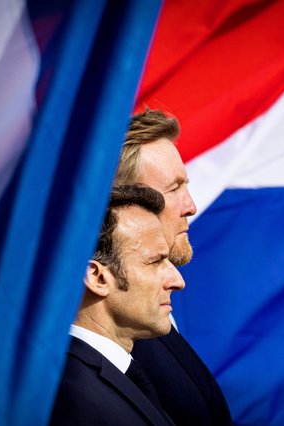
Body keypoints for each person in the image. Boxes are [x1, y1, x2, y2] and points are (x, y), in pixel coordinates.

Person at [115, 109, 231, 425]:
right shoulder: (115, 338)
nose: (191, 205)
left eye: (186, 185)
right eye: (173, 188)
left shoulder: (146, 316)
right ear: (126, 201)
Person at [50, 185, 183, 425]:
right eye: (155, 262)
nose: (177, 281)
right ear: (97, 277)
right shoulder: (75, 398)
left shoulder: (106, 375)